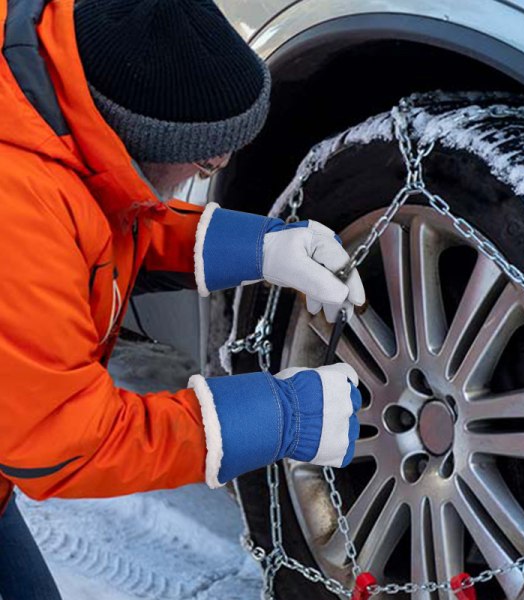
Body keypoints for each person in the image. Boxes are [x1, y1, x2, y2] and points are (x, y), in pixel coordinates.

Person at [0, 0, 366, 597]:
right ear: (136, 133)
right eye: (204, 156)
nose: (220, 164)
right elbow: (58, 442)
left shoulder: (53, 79)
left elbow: (100, 212)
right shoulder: (15, 206)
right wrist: (273, 416)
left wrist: (260, 248)